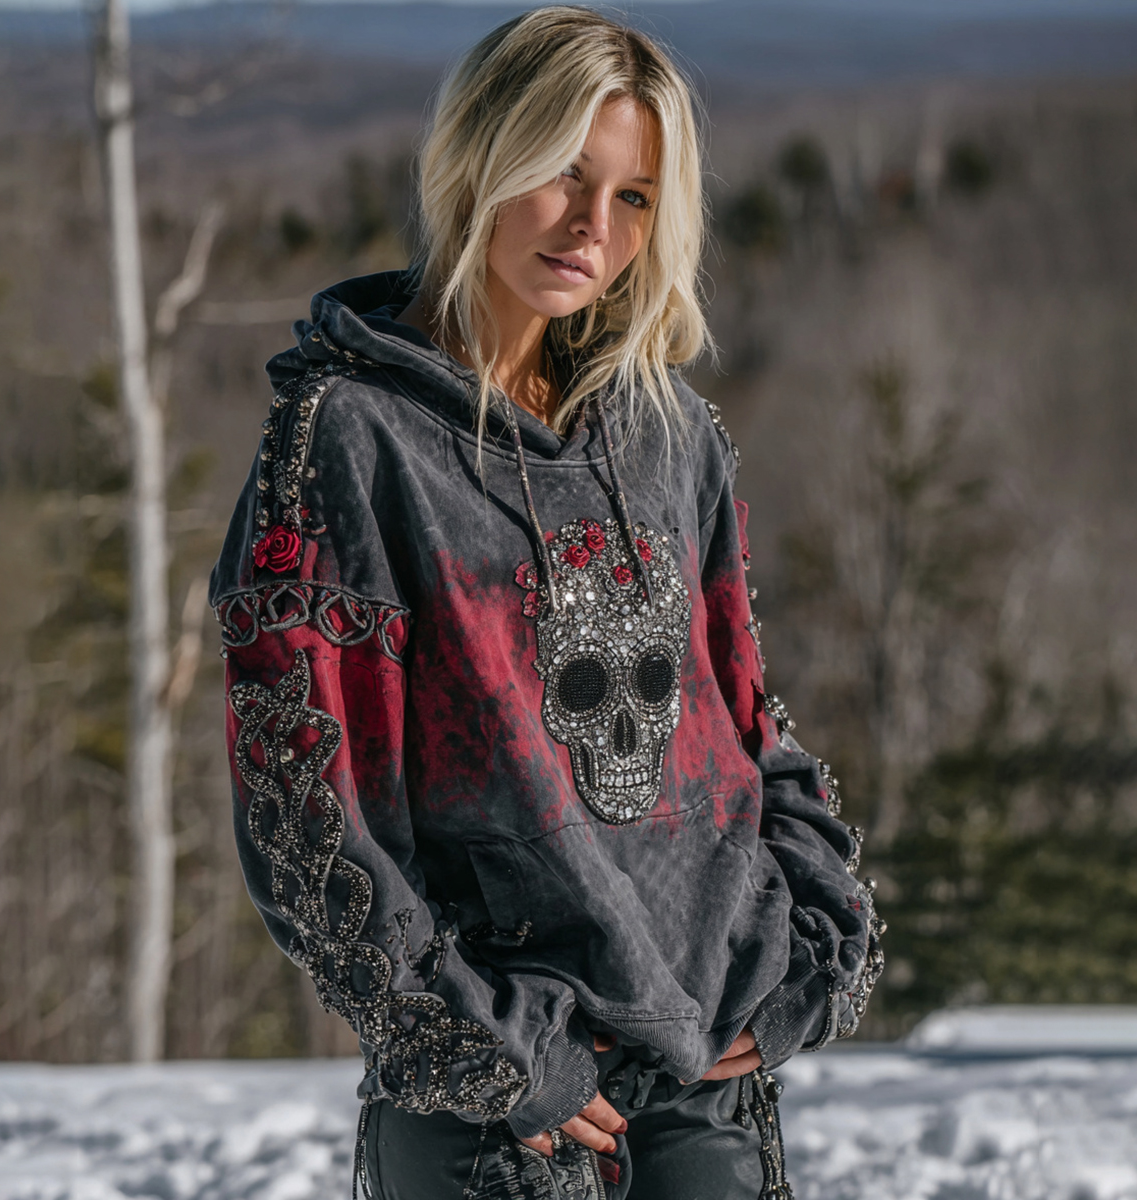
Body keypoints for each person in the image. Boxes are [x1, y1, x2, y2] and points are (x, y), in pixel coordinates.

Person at [210, 8, 884, 1199]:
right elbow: (304, 807)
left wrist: (814, 950)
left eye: (634, 197)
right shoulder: (352, 439)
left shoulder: (669, 435)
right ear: (480, 156)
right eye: (565, 173)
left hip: (707, 1075)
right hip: (503, 1104)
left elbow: (741, 728)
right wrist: (483, 1047)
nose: (592, 226)